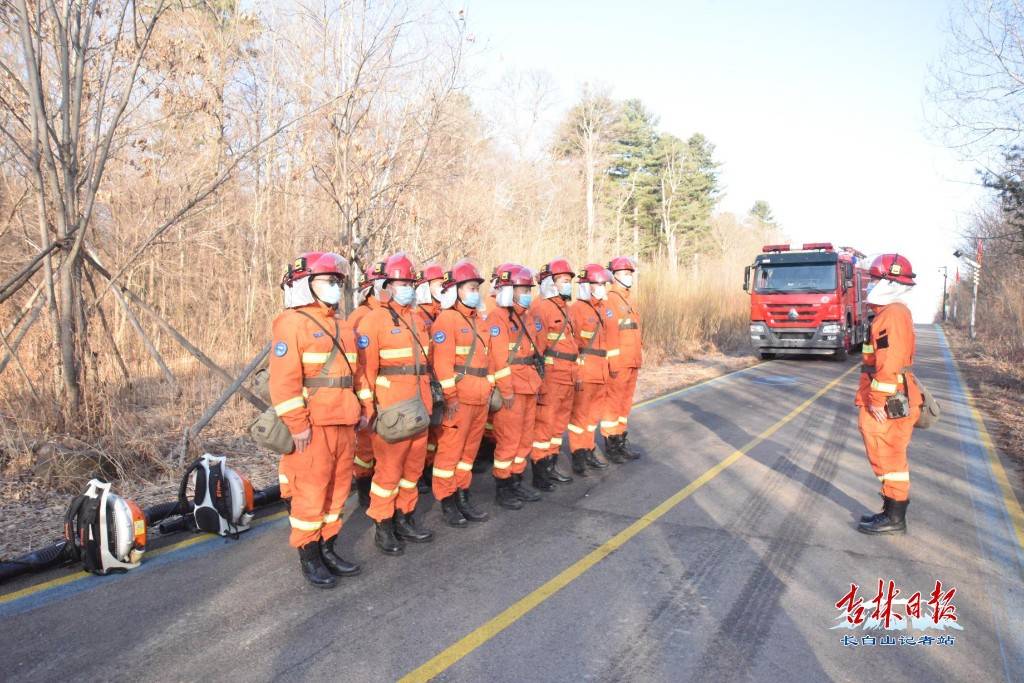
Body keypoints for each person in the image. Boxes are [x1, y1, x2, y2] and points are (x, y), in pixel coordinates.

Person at [269, 252, 366, 588]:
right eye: (328, 281)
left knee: (337, 492)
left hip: (344, 421)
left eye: (337, 282)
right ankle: (309, 555)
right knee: (310, 493)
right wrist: (297, 424)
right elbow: (283, 381)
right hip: (313, 427)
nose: (335, 287)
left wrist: (363, 409)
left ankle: (328, 546)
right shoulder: (292, 323)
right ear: (306, 285)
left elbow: (357, 375)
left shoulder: (343, 325)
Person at [357, 252, 435, 554]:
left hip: (419, 404)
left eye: (409, 282)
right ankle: (384, 524)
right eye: (400, 282)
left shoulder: (417, 319)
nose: (405, 287)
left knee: (413, 469)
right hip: (391, 409)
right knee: (389, 471)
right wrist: (368, 408)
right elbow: (364, 371)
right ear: (387, 285)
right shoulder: (373, 320)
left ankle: (405, 517)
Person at [856, 253, 921, 535]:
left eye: (873, 279)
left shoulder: (891, 315)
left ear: (887, 282)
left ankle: (895, 518)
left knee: (889, 457)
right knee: (885, 455)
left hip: (890, 400)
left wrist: (878, 399)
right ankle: (890, 511)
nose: (869, 284)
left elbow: (889, 360)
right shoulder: (891, 313)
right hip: (892, 394)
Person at [430, 259, 496, 527]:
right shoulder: (447, 320)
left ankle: (462, 495)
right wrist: (451, 398)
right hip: (460, 399)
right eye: (469, 287)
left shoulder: (478, 320)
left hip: (479, 397)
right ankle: (447, 502)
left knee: (468, 453)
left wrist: (490, 388)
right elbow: (442, 364)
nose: (474, 292)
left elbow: (487, 359)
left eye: (475, 287)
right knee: (450, 453)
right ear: (456, 289)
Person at [488, 264, 544, 508]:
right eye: (522, 289)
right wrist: (506, 390)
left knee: (525, 438)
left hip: (529, 383)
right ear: (509, 290)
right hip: (512, 387)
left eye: (528, 289)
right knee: (509, 440)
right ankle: (503, 486)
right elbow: (498, 359)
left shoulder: (527, 317)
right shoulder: (497, 318)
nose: (526, 294)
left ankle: (517, 480)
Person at [567, 264, 621, 475]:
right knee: (580, 416)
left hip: (601, 369)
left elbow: (611, 338)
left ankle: (588, 450)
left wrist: (612, 366)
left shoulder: (604, 308)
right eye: (600, 284)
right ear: (588, 286)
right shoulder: (576, 310)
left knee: (592, 416)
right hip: (585, 369)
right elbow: (573, 345)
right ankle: (578, 454)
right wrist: (577, 373)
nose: (603, 288)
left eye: (604, 284)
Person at [528, 258, 578, 487]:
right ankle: (540, 472)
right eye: (564, 280)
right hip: (551, 374)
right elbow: (537, 347)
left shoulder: (564, 306)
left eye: (569, 281)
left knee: (558, 425)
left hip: (567, 373)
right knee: (545, 424)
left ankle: (552, 464)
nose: (568, 285)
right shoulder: (540, 307)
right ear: (550, 282)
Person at [348, 261, 386, 507]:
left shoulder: (385, 314)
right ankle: (363, 487)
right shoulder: (362, 316)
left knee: (377, 445)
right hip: (366, 388)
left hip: (382, 390)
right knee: (365, 447)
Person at [601, 256, 643, 461]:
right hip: (619, 363)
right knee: (613, 404)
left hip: (632, 361)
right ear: (614, 276)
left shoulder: (629, 298)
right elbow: (609, 334)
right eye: (625, 273)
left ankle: (620, 440)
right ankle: (611, 444)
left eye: (630, 273)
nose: (629, 277)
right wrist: (613, 362)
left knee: (625, 404)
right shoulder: (610, 299)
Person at [414, 263, 446, 493]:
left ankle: (432, 465)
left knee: (437, 428)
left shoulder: (442, 313)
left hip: (439, 378)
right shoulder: (417, 315)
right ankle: (423, 469)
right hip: (424, 380)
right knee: (425, 429)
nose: (443, 287)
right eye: (438, 284)